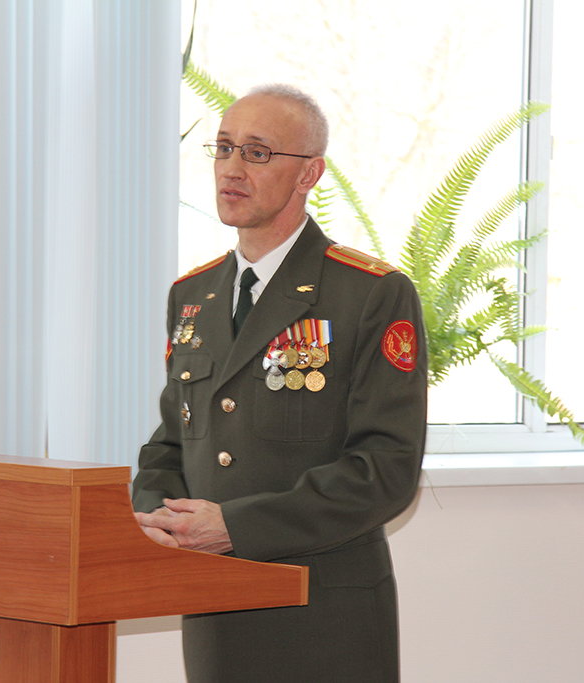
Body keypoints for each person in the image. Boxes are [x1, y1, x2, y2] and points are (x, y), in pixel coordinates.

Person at [132, 84, 428, 683]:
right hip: (215, 611)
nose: (232, 168)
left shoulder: (368, 293)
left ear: (309, 174)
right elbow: (171, 445)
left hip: (323, 616)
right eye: (223, 148)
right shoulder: (193, 295)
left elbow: (385, 469)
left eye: (258, 153)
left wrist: (236, 527)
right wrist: (157, 517)